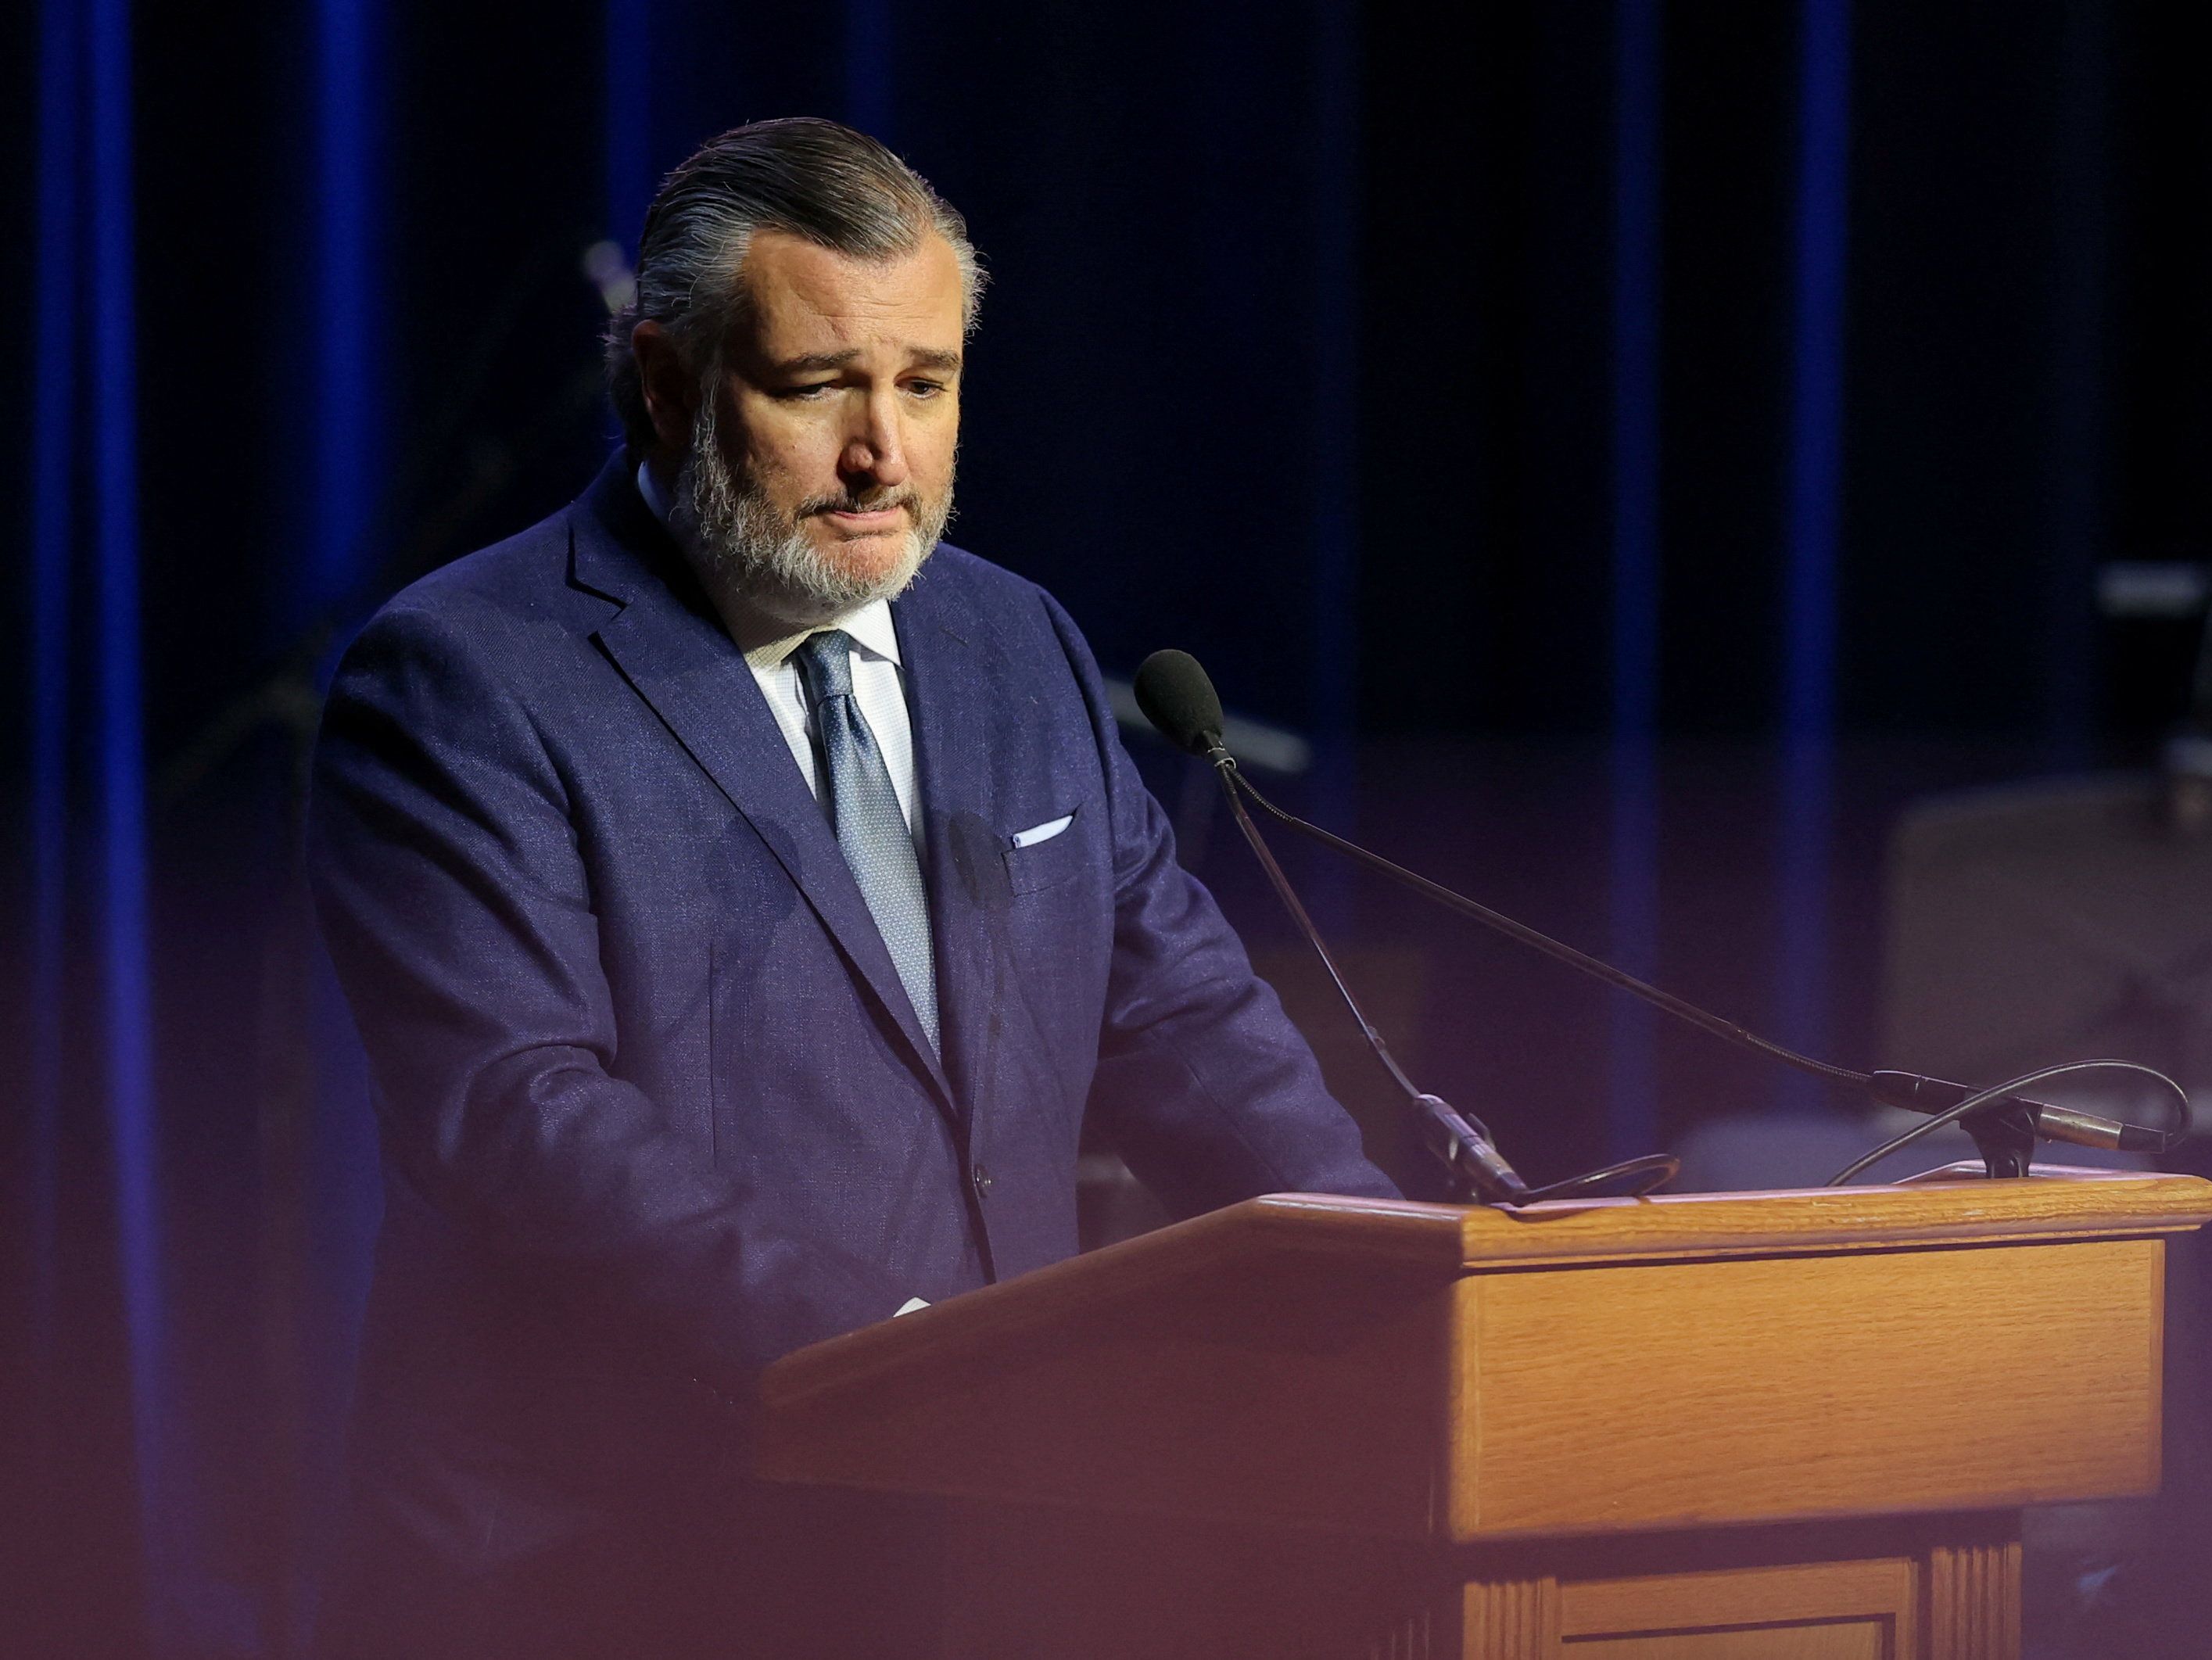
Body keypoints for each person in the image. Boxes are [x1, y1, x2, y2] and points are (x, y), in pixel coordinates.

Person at [307, 117, 1396, 1657]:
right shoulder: (466, 680)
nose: (883, 453)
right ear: (666, 380)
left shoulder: (1009, 644)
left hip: (980, 1557)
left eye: (925, 385)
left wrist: (1397, 1282)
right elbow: (518, 1113)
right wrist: (888, 1364)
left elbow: (1186, 1026)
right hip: (610, 1567)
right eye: (819, 387)